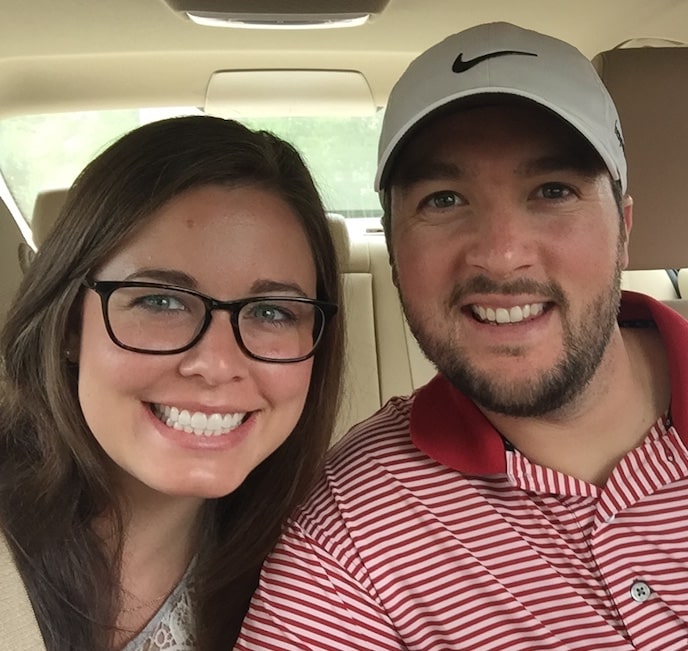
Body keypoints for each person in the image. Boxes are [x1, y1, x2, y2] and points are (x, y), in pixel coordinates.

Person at [234, 21, 688, 650]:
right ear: (393, 248)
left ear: (625, 227)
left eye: (553, 191)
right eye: (444, 200)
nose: (501, 256)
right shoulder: (348, 538)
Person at [0, 115, 344, 650]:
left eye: (273, 312)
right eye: (160, 301)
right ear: (70, 325)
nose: (216, 363)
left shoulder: (329, 577)